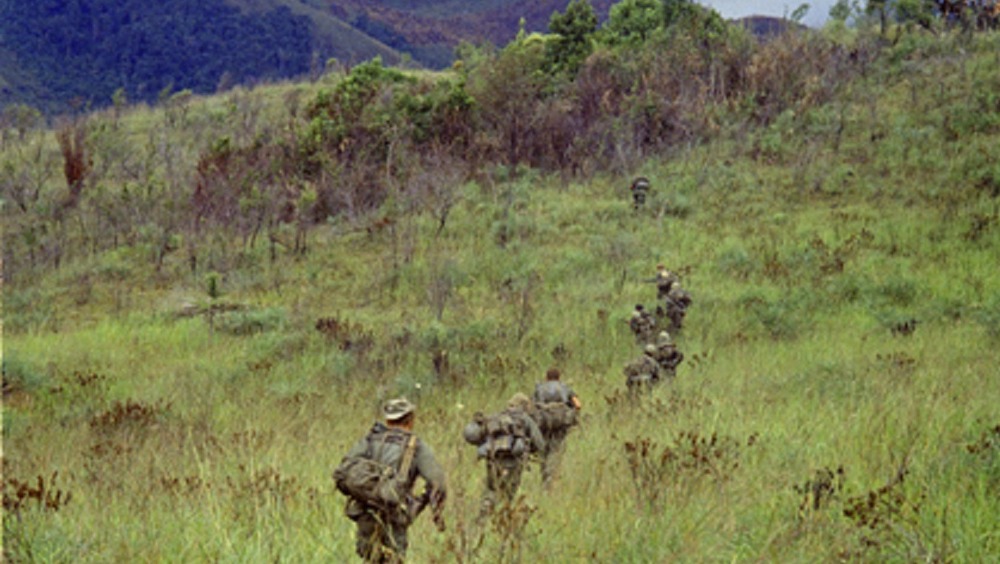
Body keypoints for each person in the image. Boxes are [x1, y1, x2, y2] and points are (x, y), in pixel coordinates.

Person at [340, 398, 446, 563]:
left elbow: (343, 471)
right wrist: (423, 504)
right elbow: (438, 483)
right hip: (394, 517)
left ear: (388, 420)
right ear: (410, 420)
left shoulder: (369, 440)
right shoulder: (416, 446)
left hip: (365, 516)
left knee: (370, 559)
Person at [463, 393, 545, 516]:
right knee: (508, 492)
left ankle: (484, 515)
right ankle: (502, 520)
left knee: (491, 489)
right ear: (523, 405)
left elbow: (482, 437)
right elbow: (539, 443)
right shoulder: (524, 419)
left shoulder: (496, 417)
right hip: (513, 462)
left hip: (493, 459)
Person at [531, 368, 582, 487]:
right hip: (560, 427)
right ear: (559, 377)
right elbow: (578, 405)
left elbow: (531, 406)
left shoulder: (539, 388)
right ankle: (550, 480)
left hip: (543, 426)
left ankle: (545, 477)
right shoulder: (565, 388)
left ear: (546, 377)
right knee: (556, 452)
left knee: (543, 452)